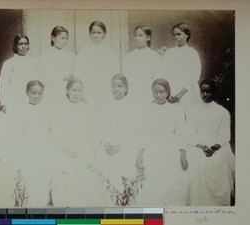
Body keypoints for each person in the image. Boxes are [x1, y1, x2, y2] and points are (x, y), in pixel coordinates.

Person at [92, 74, 147, 206]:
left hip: (127, 144)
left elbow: (137, 130)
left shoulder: (133, 105)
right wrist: (105, 144)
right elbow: (102, 126)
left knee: (124, 175)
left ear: (126, 88)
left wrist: (120, 146)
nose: (116, 89)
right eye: (113, 87)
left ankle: (125, 205)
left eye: (120, 86)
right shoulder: (107, 104)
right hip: (109, 142)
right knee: (104, 173)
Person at [136, 79, 188, 206]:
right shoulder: (147, 110)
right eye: (155, 92)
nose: (158, 95)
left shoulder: (176, 110)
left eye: (161, 92)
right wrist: (140, 154)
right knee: (152, 177)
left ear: (168, 92)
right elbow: (144, 133)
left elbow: (181, 133)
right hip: (152, 147)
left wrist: (182, 154)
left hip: (170, 146)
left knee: (170, 178)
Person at [50, 77, 100, 207]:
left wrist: (92, 150)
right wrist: (67, 150)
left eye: (80, 90)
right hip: (65, 150)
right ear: (67, 91)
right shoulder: (59, 109)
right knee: (64, 182)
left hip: (84, 149)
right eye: (74, 90)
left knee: (83, 182)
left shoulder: (87, 109)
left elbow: (93, 132)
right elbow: (56, 133)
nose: (77, 93)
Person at [186, 79, 235, 206]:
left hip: (217, 146)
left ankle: (219, 202)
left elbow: (224, 135)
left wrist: (214, 147)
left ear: (213, 92)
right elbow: (191, 133)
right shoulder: (192, 110)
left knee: (221, 162)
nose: (205, 94)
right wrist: (202, 147)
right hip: (198, 144)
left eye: (208, 91)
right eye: (203, 91)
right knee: (196, 160)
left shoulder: (222, 112)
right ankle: (197, 201)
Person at [9, 80, 55, 207]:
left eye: (40, 93)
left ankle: (42, 206)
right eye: (33, 93)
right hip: (27, 149)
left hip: (44, 148)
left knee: (43, 180)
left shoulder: (48, 110)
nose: (36, 96)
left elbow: (52, 131)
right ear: (27, 93)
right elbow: (16, 133)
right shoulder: (20, 110)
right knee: (28, 179)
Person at [74, 21, 120, 107]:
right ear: (89, 34)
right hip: (88, 89)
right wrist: (81, 93)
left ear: (104, 34)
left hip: (105, 90)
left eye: (99, 33)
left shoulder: (110, 52)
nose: (96, 35)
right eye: (93, 33)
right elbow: (78, 73)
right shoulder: (84, 51)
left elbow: (115, 74)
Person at [162, 23, 201, 111]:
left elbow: (195, 75)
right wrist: (168, 93)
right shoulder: (169, 53)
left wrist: (180, 93)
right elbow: (164, 74)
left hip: (187, 91)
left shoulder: (192, 53)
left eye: (179, 34)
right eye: (175, 35)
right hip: (171, 92)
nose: (176, 37)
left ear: (187, 35)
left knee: (188, 117)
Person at [0, 34, 37, 115]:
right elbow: (3, 84)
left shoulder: (35, 62)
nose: (23, 47)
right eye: (20, 44)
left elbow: (38, 82)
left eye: (25, 44)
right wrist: (3, 103)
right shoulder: (8, 63)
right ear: (15, 46)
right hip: (14, 101)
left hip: (30, 99)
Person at [36, 26, 76, 105]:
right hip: (51, 94)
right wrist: (62, 77)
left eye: (66, 38)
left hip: (68, 95)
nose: (65, 41)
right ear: (53, 38)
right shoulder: (45, 56)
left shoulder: (71, 56)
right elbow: (40, 78)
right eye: (62, 38)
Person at [123, 25, 162, 104]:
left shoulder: (154, 56)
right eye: (136, 35)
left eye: (140, 35)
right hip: (132, 96)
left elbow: (158, 78)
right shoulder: (128, 57)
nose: (137, 38)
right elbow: (125, 78)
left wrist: (154, 98)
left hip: (148, 96)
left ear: (148, 38)